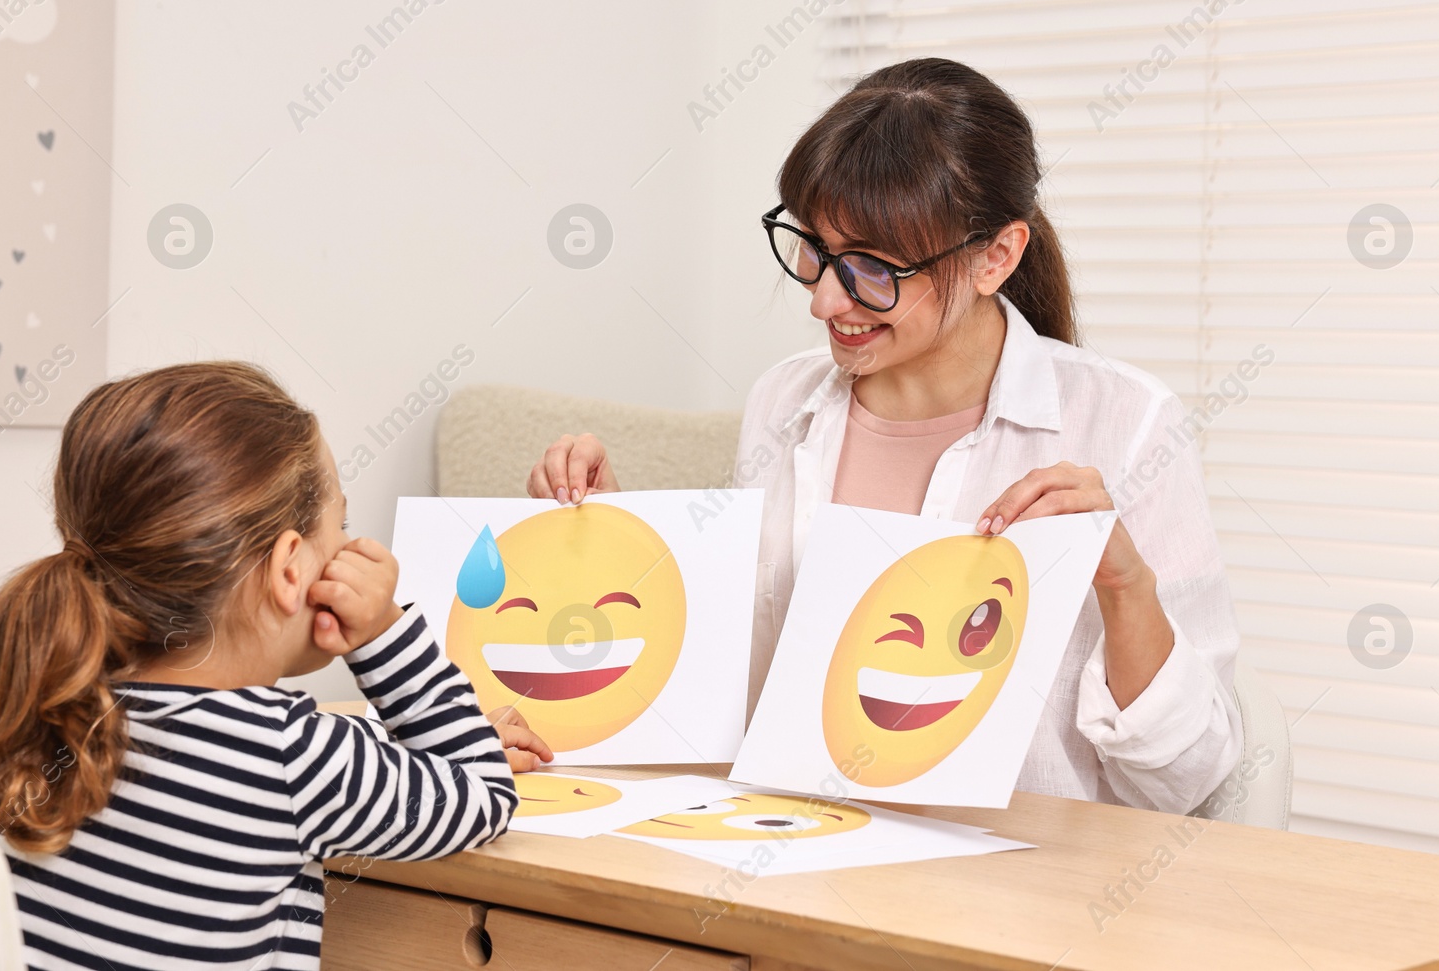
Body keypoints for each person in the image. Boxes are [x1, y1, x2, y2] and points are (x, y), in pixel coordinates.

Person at [528, 58, 1241, 815]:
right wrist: (608, 538)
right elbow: (745, 684)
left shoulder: (1128, 425)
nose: (824, 299)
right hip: (799, 851)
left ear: (996, 257)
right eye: (814, 247)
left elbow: (1189, 781)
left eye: (871, 266)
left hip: (1022, 892)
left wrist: (1126, 587)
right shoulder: (784, 401)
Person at [0, 362, 550, 971]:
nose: (351, 546)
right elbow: (484, 795)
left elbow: (242, 748)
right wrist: (383, 632)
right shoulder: (293, 754)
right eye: (342, 525)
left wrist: (402, 744)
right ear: (289, 571)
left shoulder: (46, 703)